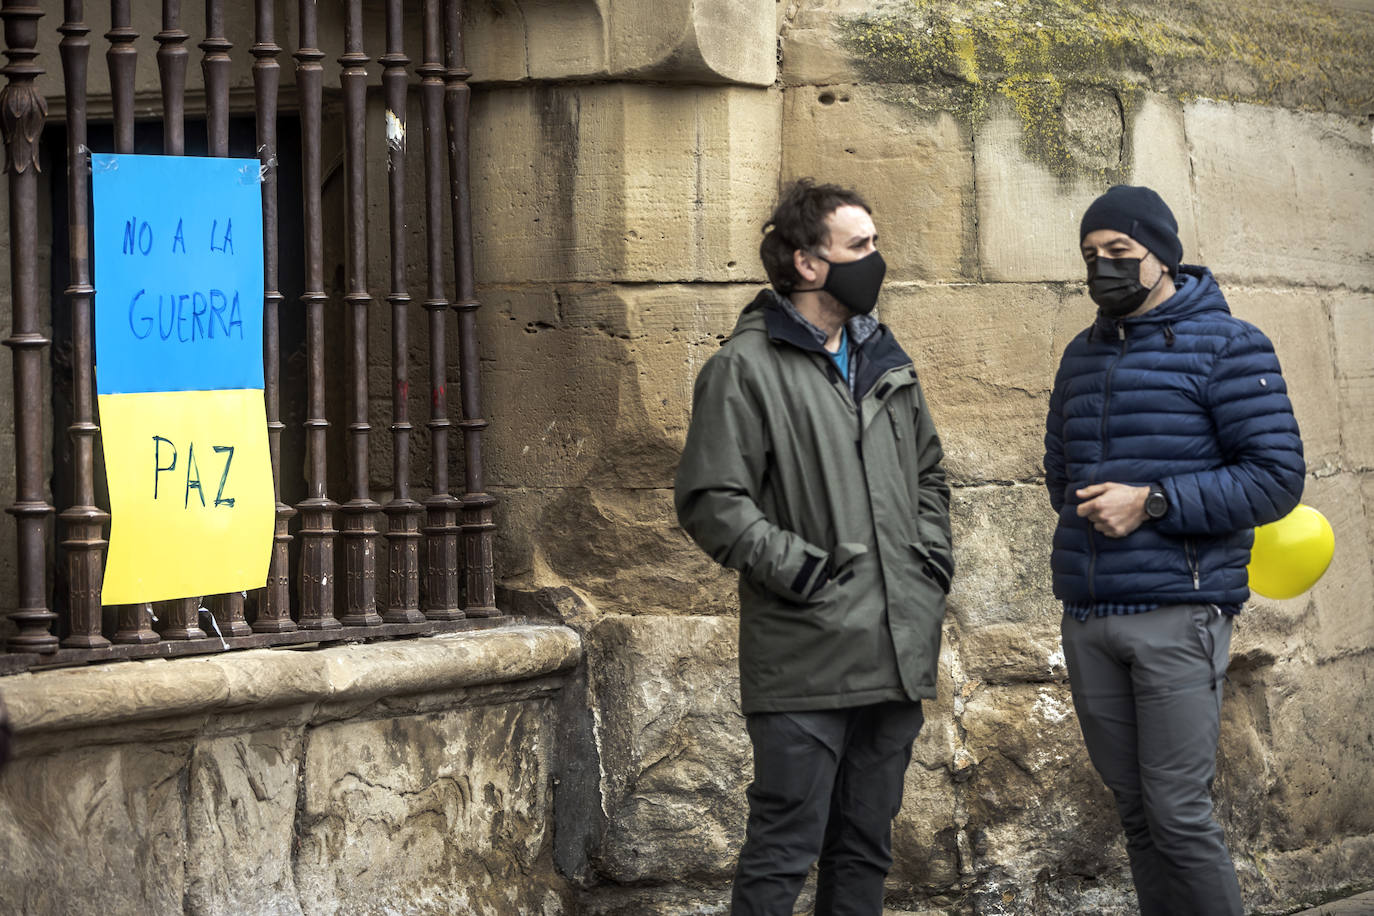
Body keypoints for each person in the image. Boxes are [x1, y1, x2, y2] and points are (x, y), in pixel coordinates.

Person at [675, 178, 953, 915]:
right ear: (806, 263)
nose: (876, 259)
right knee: (782, 850)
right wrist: (802, 572)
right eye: (860, 246)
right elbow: (711, 501)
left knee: (865, 846)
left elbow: (928, 474)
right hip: (807, 654)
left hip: (895, 651)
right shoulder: (744, 368)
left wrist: (929, 564)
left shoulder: (886, 360)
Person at [1044, 185, 1305, 916]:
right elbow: (1059, 474)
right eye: (1091, 256)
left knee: (1179, 813)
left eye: (1119, 254)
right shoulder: (1080, 354)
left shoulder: (1230, 344)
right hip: (1092, 613)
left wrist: (1153, 501)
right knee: (1136, 815)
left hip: (1179, 611)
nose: (1103, 269)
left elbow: (1276, 478)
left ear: (1161, 254)